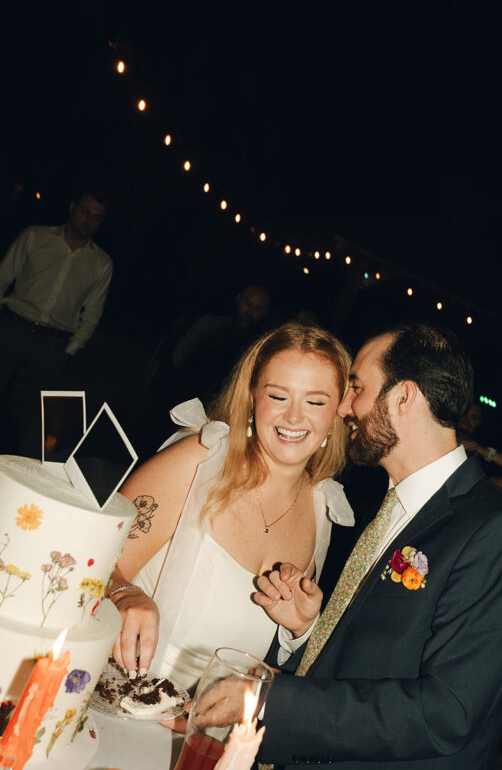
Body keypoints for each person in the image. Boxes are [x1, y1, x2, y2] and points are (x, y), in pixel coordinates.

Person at [250, 324, 502, 770]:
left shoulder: (496, 531)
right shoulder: (397, 504)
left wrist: (273, 700)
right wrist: (309, 632)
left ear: (404, 398)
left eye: (357, 386)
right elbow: (382, 649)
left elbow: (448, 710)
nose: (348, 406)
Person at [107, 321, 354, 687]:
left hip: (198, 729)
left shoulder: (323, 509)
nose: (294, 417)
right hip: (113, 691)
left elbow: (267, 662)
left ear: (336, 415)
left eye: (315, 401)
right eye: (278, 396)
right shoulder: (199, 460)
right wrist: (124, 594)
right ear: (253, 398)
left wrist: (301, 628)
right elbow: (91, 560)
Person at [0, 191, 112, 451]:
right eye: (85, 212)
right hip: (11, 327)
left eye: (96, 218)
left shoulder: (101, 263)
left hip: (50, 345)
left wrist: (69, 352)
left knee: (23, 417)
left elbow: (92, 314)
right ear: (72, 207)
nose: (88, 221)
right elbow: (3, 277)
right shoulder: (35, 236)